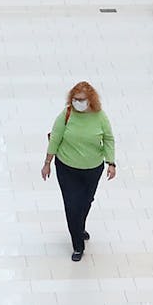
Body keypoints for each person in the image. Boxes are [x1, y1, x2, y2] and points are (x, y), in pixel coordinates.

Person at [41, 81, 116, 262]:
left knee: (86, 201)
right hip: (67, 168)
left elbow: (108, 139)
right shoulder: (66, 116)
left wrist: (111, 163)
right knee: (72, 205)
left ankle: (79, 226)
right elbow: (55, 138)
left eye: (81, 99)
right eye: (75, 99)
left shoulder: (100, 117)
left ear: (90, 100)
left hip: (92, 169)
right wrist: (47, 162)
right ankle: (77, 244)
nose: (78, 103)